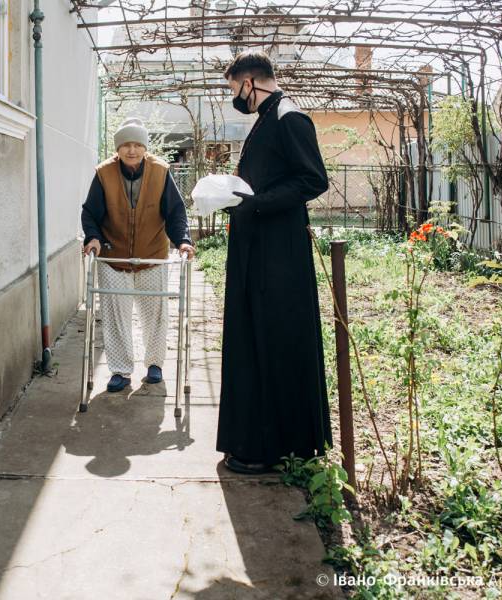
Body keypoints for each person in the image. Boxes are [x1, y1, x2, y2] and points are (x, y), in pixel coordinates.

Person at [216, 51, 333, 474]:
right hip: (257, 247)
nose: (235, 97)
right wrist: (236, 199)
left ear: (250, 82)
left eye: (234, 88)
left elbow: (312, 179)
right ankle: (254, 442)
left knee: (274, 338)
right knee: (253, 336)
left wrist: (257, 204)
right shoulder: (266, 120)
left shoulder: (288, 116)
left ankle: (278, 448)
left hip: (279, 256)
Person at [81, 117, 195, 393]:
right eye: (126, 145)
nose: (131, 150)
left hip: (151, 254)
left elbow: (175, 212)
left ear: (144, 147)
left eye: (137, 145)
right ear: (118, 149)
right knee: (115, 315)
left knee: (155, 312)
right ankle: (120, 370)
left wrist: (183, 241)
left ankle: (154, 363)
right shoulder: (104, 174)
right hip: (113, 255)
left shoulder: (160, 171)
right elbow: (90, 212)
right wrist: (93, 238)